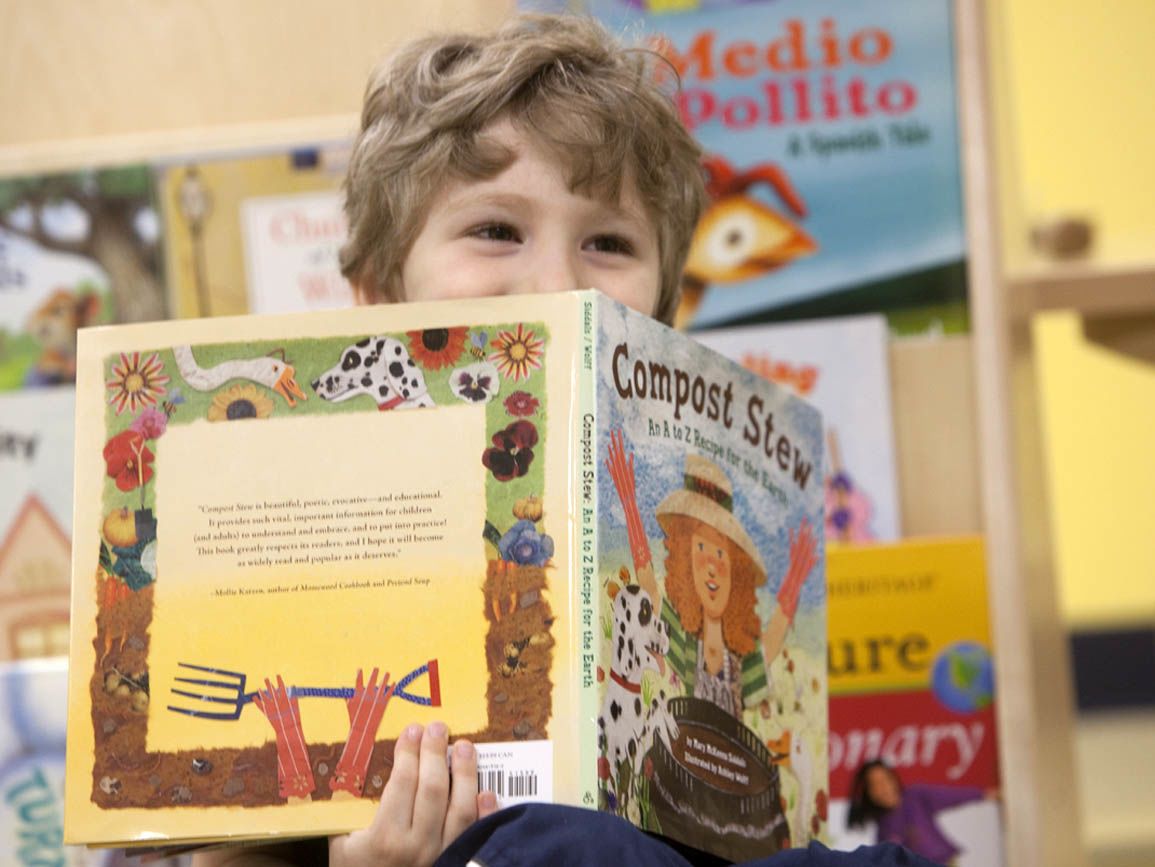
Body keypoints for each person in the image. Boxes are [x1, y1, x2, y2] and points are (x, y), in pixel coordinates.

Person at [196, 13, 938, 867]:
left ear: (662, 310)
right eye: (495, 230)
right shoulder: (294, 543)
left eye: (609, 242)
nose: (555, 281)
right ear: (376, 292)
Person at [847, 760, 997, 866]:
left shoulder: (915, 796)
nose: (883, 787)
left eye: (885, 779)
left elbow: (950, 795)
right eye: (875, 785)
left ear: (894, 779)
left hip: (943, 862)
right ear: (870, 794)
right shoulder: (883, 829)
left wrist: (983, 794)